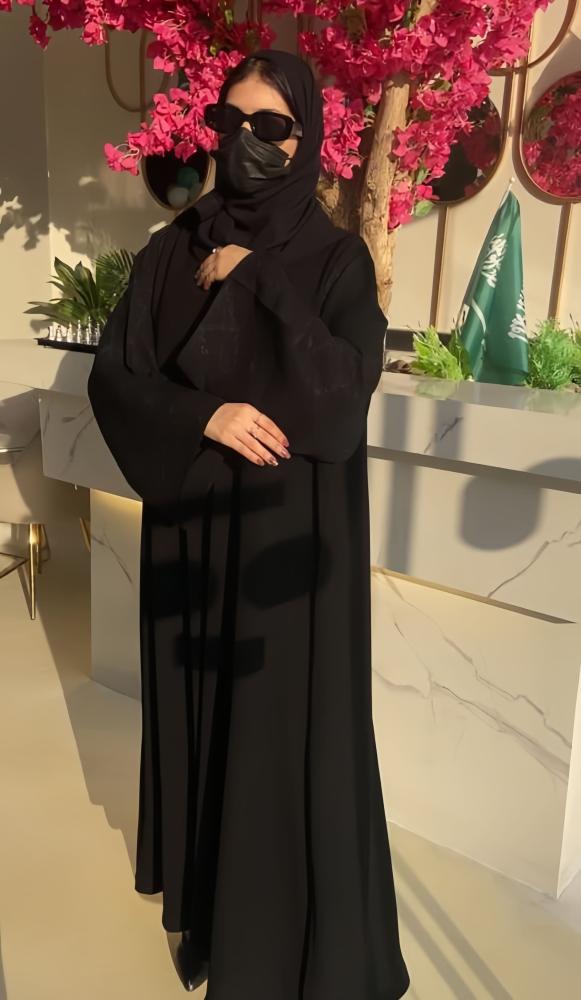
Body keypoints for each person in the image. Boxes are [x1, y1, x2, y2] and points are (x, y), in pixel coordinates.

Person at [87, 47, 410, 1000]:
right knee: (206, 724)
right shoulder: (173, 248)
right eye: (230, 124)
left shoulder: (335, 260)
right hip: (194, 535)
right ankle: (211, 924)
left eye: (271, 127)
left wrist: (259, 280)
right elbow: (115, 380)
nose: (246, 143)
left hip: (286, 555)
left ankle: (283, 952)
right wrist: (206, 416)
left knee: (275, 742)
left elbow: (341, 401)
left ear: (305, 139)